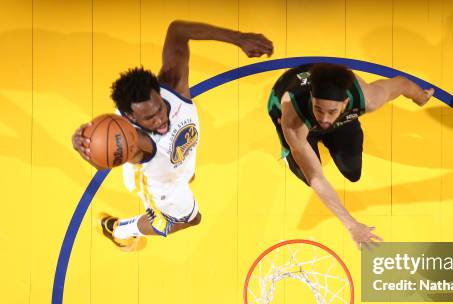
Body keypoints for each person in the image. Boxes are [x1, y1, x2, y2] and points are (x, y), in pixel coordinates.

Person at [72, 20, 273, 251]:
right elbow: (103, 160)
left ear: (159, 92)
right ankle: (118, 229)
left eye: (159, 108)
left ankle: (180, 176)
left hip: (178, 162)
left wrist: (239, 38)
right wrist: (83, 146)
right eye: (149, 118)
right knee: (188, 220)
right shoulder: (133, 142)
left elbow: (178, 30)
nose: (159, 119)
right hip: (160, 183)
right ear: (131, 117)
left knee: (187, 172)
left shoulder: (173, 82)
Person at [268, 63, 434, 248]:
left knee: (353, 172)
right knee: (307, 175)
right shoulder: (293, 118)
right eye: (319, 109)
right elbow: (317, 178)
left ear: (345, 103)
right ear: (312, 99)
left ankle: (343, 123)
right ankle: (297, 146)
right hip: (300, 124)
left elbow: (401, 84)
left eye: (331, 111)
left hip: (343, 120)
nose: (324, 118)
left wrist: (421, 97)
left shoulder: (367, 98)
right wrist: (351, 224)